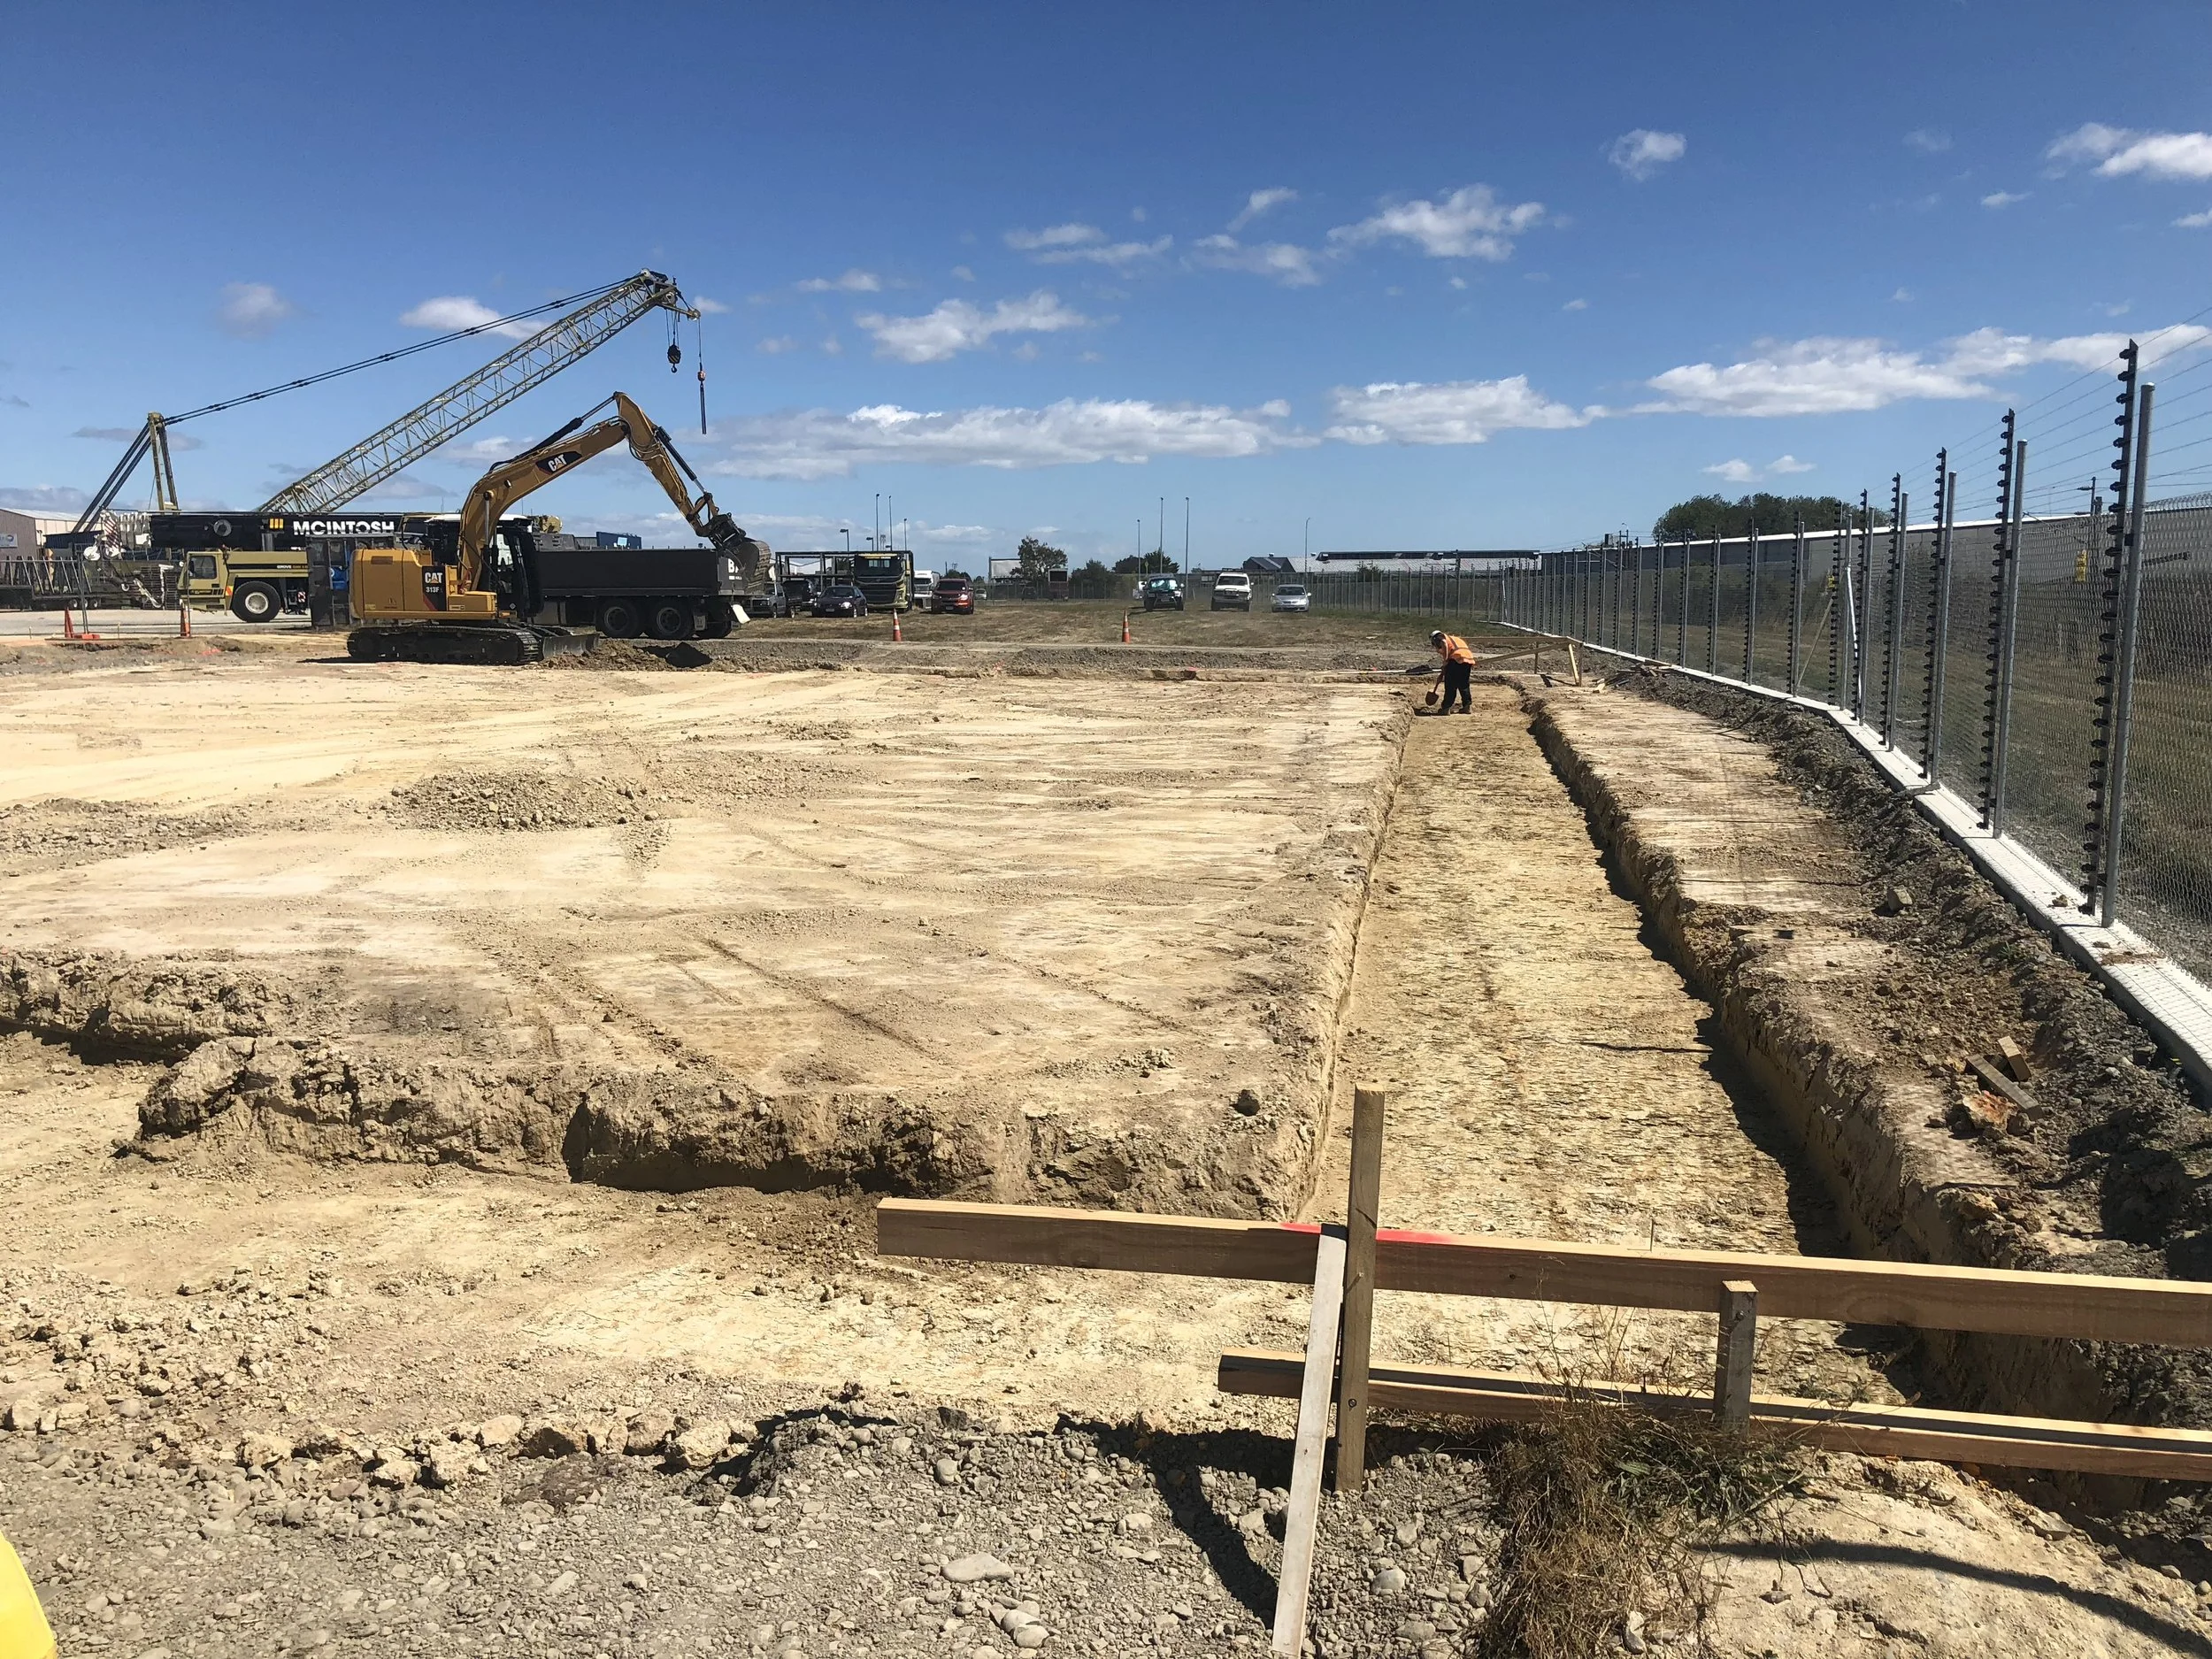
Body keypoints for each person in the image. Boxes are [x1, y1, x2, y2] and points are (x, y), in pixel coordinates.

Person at [1429, 629, 1476, 713]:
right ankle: (1467, 706)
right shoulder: (1455, 639)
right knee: (1464, 684)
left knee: (1450, 685)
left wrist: (1446, 660)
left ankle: (1446, 708)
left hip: (1456, 659)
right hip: (1467, 660)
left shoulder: (1441, 637)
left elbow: (1443, 643)